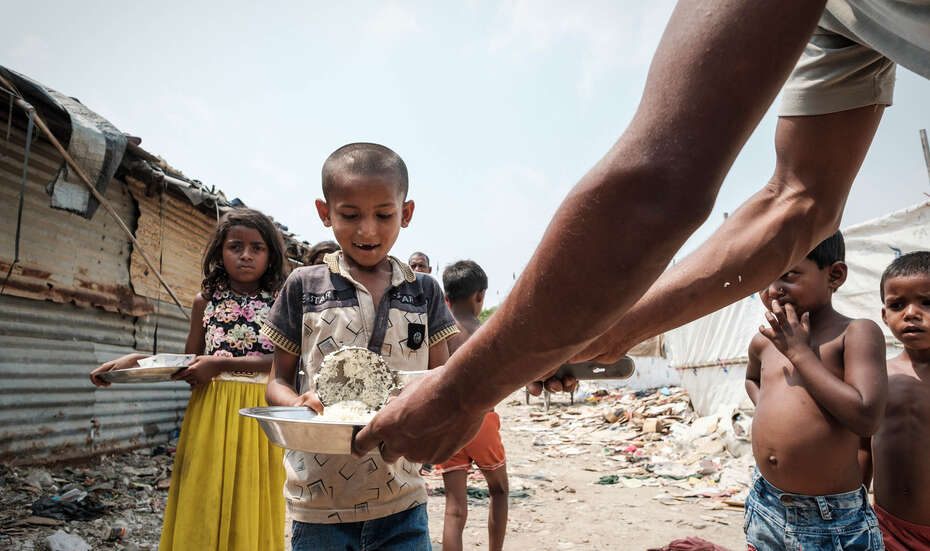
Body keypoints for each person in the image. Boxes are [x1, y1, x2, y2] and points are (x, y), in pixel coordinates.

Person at [354, 1, 929, 465]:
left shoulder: (855, 336)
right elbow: (796, 205)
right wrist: (609, 328)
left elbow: (655, 186)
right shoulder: (842, 17)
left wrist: (460, 393)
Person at [261, 142, 459, 551]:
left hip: (401, 498)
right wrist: (298, 405)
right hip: (319, 502)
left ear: (406, 214)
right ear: (325, 212)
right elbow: (277, 381)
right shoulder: (305, 285)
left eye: (384, 215)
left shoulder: (424, 292)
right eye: (350, 215)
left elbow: (440, 381)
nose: (367, 230)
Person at [90, 209, 287, 551]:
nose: (245, 255)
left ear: (270, 255)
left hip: (261, 411)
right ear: (219, 252)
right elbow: (190, 365)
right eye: (235, 246)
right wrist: (138, 360)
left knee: (252, 492)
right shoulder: (204, 302)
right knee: (206, 490)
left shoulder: (283, 301)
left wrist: (219, 364)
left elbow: (286, 363)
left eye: (257, 248)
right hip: (210, 410)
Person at [743, 231, 887, 550]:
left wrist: (800, 353)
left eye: (788, 275)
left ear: (835, 275)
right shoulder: (764, 342)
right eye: (763, 279)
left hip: (830, 518)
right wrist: (769, 409)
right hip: (766, 502)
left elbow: (867, 418)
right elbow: (752, 379)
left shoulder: (855, 333)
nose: (772, 290)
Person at [435, 260, 508, 551]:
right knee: (499, 490)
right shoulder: (488, 333)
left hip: (447, 427)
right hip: (481, 421)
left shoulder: (439, 334)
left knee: (454, 508)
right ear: (480, 296)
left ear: (446, 297)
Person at [869, 251, 930, 550]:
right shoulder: (880, 374)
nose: (911, 313)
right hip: (887, 527)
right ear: (884, 315)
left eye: (926, 302)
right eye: (897, 305)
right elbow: (860, 446)